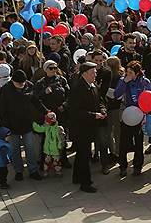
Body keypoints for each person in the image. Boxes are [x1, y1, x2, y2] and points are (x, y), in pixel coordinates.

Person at [0, 69, 47, 181]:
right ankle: (18, 170)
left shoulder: (29, 86)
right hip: (12, 125)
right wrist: (5, 126)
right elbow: (1, 109)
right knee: (15, 149)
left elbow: (36, 101)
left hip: (27, 122)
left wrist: (46, 112)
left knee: (30, 147)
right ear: (13, 81)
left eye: (23, 83)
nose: (21, 85)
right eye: (18, 84)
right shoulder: (5, 90)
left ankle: (33, 170)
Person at [68, 61, 104, 193]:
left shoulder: (93, 86)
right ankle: (85, 182)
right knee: (85, 155)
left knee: (81, 154)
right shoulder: (78, 89)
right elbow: (76, 111)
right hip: (81, 127)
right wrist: (94, 115)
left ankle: (77, 177)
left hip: (90, 126)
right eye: (93, 73)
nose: (95, 74)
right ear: (84, 74)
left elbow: (99, 101)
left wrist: (102, 109)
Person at [113, 60, 151, 177]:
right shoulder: (123, 80)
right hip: (127, 115)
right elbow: (116, 94)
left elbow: (150, 97)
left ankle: (137, 166)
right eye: (127, 72)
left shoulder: (144, 82)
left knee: (139, 143)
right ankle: (123, 166)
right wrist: (125, 82)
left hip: (140, 115)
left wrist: (146, 112)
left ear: (137, 73)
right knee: (124, 142)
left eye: (131, 73)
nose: (128, 74)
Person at [32, 111, 66, 176]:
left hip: (56, 149)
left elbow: (60, 139)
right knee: (46, 162)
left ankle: (57, 171)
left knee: (56, 162)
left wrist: (60, 146)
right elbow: (39, 129)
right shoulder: (46, 127)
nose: (47, 122)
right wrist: (34, 124)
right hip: (47, 149)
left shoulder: (58, 128)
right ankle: (46, 171)